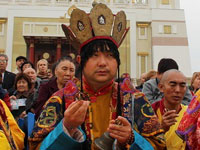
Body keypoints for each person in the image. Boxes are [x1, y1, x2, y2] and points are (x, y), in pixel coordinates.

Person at [29, 4, 165, 150]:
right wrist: (67, 127)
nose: (102, 63)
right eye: (94, 56)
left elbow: (160, 145)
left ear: (118, 62)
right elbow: (36, 146)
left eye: (110, 56)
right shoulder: (60, 99)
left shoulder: (134, 99)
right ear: (81, 61)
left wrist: (131, 138)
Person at [152, 69, 187, 150]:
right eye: (172, 85)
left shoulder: (190, 114)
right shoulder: (150, 112)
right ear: (161, 87)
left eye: (182, 85)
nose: (178, 90)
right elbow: (142, 145)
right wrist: (161, 129)